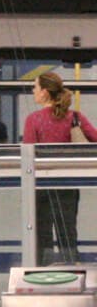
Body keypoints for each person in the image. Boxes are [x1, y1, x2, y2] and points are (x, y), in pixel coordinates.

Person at [23, 71, 97, 264]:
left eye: (36, 87)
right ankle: (71, 272)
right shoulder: (75, 117)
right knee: (68, 234)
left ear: (45, 92)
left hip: (40, 186)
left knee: (41, 236)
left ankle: (42, 275)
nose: (33, 91)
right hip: (68, 185)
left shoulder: (34, 120)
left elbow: (27, 155)